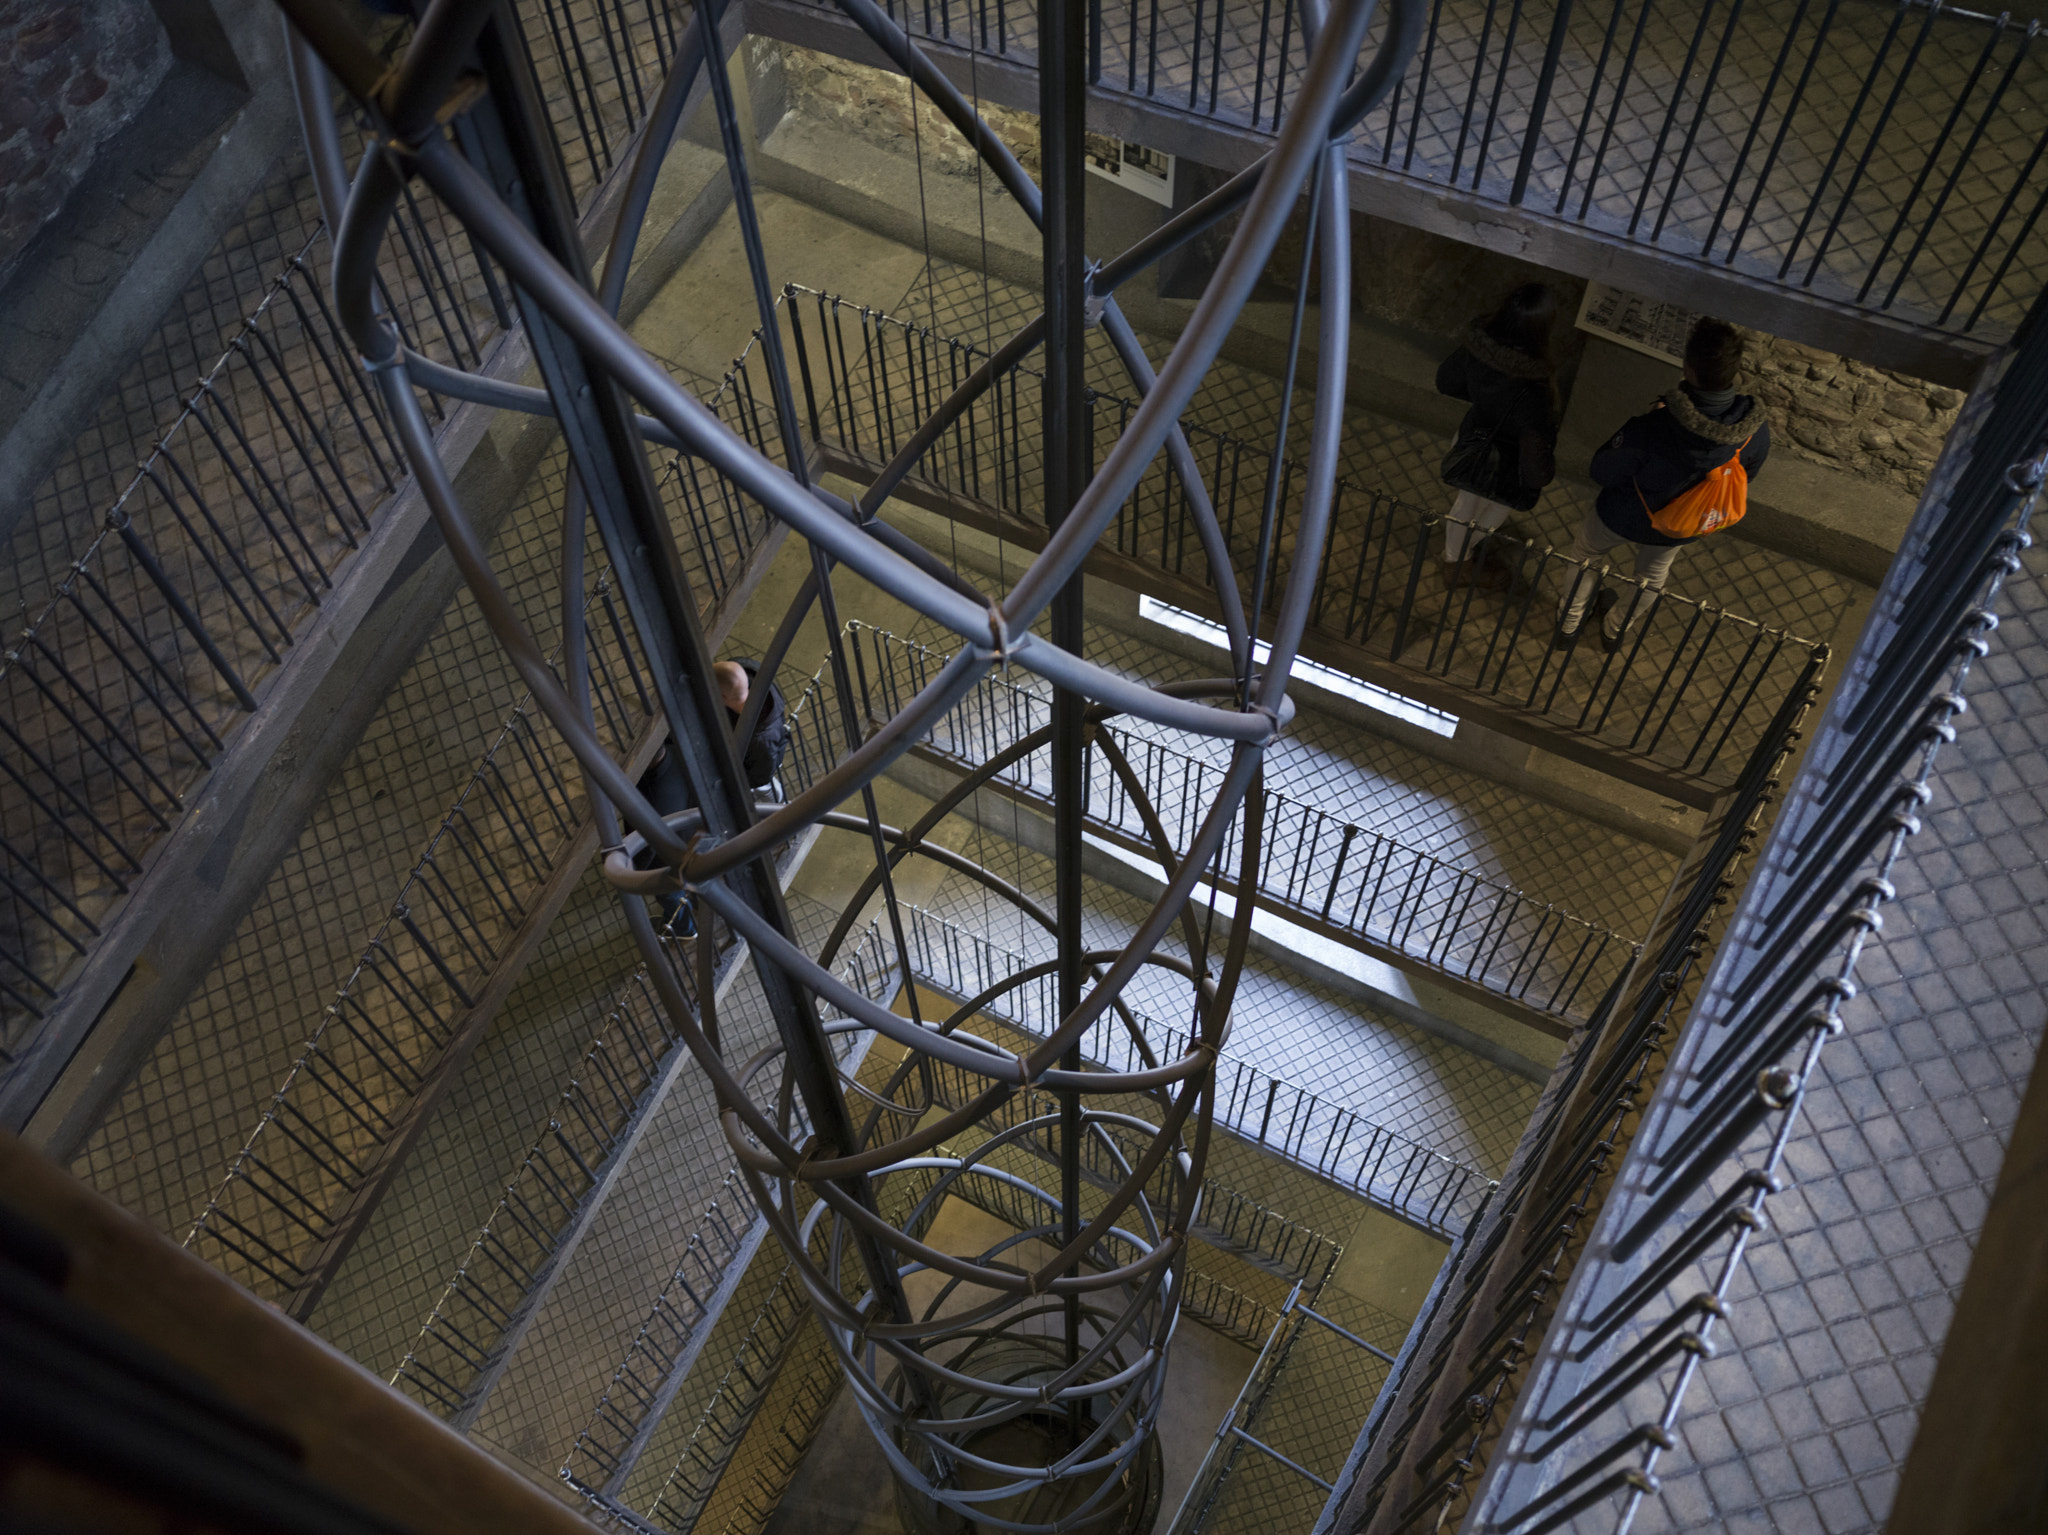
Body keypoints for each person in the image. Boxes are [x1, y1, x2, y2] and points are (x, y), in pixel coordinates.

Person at [1556, 318, 1770, 652]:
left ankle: (1568, 627)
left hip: (1620, 513)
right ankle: (1614, 631)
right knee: (1651, 578)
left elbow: (1602, 470)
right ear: (1734, 371)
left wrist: (1654, 421)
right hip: (1679, 524)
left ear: (1688, 367)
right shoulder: (1754, 432)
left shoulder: (1654, 427)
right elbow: (1746, 478)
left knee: (1587, 553)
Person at [1434, 283, 1560, 590]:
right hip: (1507, 463)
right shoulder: (1535, 385)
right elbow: (1533, 443)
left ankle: (1457, 555)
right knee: (1491, 513)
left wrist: (1484, 398)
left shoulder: (1478, 348)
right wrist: (1540, 475)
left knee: (1466, 504)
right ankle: (1456, 562)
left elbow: (1447, 382)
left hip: (1473, 438)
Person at [714, 658, 789, 796]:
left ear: (723, 697)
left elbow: (760, 776)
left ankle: (778, 806)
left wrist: (731, 780)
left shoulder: (762, 739)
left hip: (758, 767)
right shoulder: (743, 671)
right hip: (757, 757)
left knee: (767, 790)